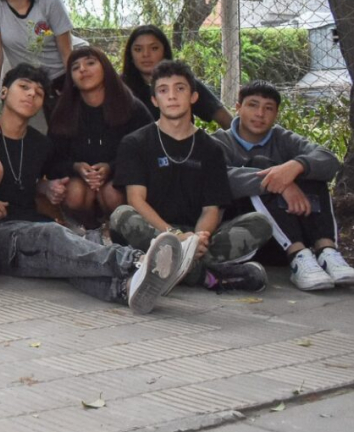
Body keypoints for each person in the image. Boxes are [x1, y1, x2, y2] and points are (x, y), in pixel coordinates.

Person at [0, 64, 187, 314]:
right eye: (24, 87)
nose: (31, 94)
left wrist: (45, 187)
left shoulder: (41, 144)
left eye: (39, 92)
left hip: (33, 227)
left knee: (69, 261)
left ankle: (128, 288)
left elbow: (32, 184)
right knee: (53, 238)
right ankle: (137, 261)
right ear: (3, 93)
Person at [110, 60, 273, 293]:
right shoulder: (135, 142)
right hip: (154, 233)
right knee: (121, 215)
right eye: (163, 90)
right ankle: (206, 276)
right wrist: (175, 237)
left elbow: (211, 209)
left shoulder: (212, 149)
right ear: (155, 100)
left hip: (196, 235)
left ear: (194, 96)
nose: (172, 96)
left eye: (180, 88)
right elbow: (136, 199)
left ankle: (165, 269)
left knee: (260, 223)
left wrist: (195, 240)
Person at [211, 81, 354, 291]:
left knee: (308, 168)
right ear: (238, 108)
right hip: (255, 238)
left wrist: (295, 167)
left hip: (294, 226)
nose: (260, 113)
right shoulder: (220, 142)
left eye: (268, 108)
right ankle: (297, 255)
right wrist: (280, 182)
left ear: (276, 114)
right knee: (262, 165)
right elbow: (217, 178)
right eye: (253, 105)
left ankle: (327, 252)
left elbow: (328, 160)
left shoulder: (283, 138)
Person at [48, 47, 152, 227]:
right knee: (75, 193)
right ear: (71, 79)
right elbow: (51, 161)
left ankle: (119, 232)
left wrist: (110, 168)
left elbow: (147, 152)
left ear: (106, 69)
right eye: (75, 67)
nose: (82, 69)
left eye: (90, 63)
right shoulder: (63, 111)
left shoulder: (131, 106)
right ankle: (89, 231)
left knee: (112, 192)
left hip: (121, 182)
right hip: (81, 184)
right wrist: (76, 167)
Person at [121, 25, 233, 128]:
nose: (146, 54)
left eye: (154, 48)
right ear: (130, 54)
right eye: (138, 49)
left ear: (164, 51)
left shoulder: (184, 83)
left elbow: (227, 120)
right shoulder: (119, 87)